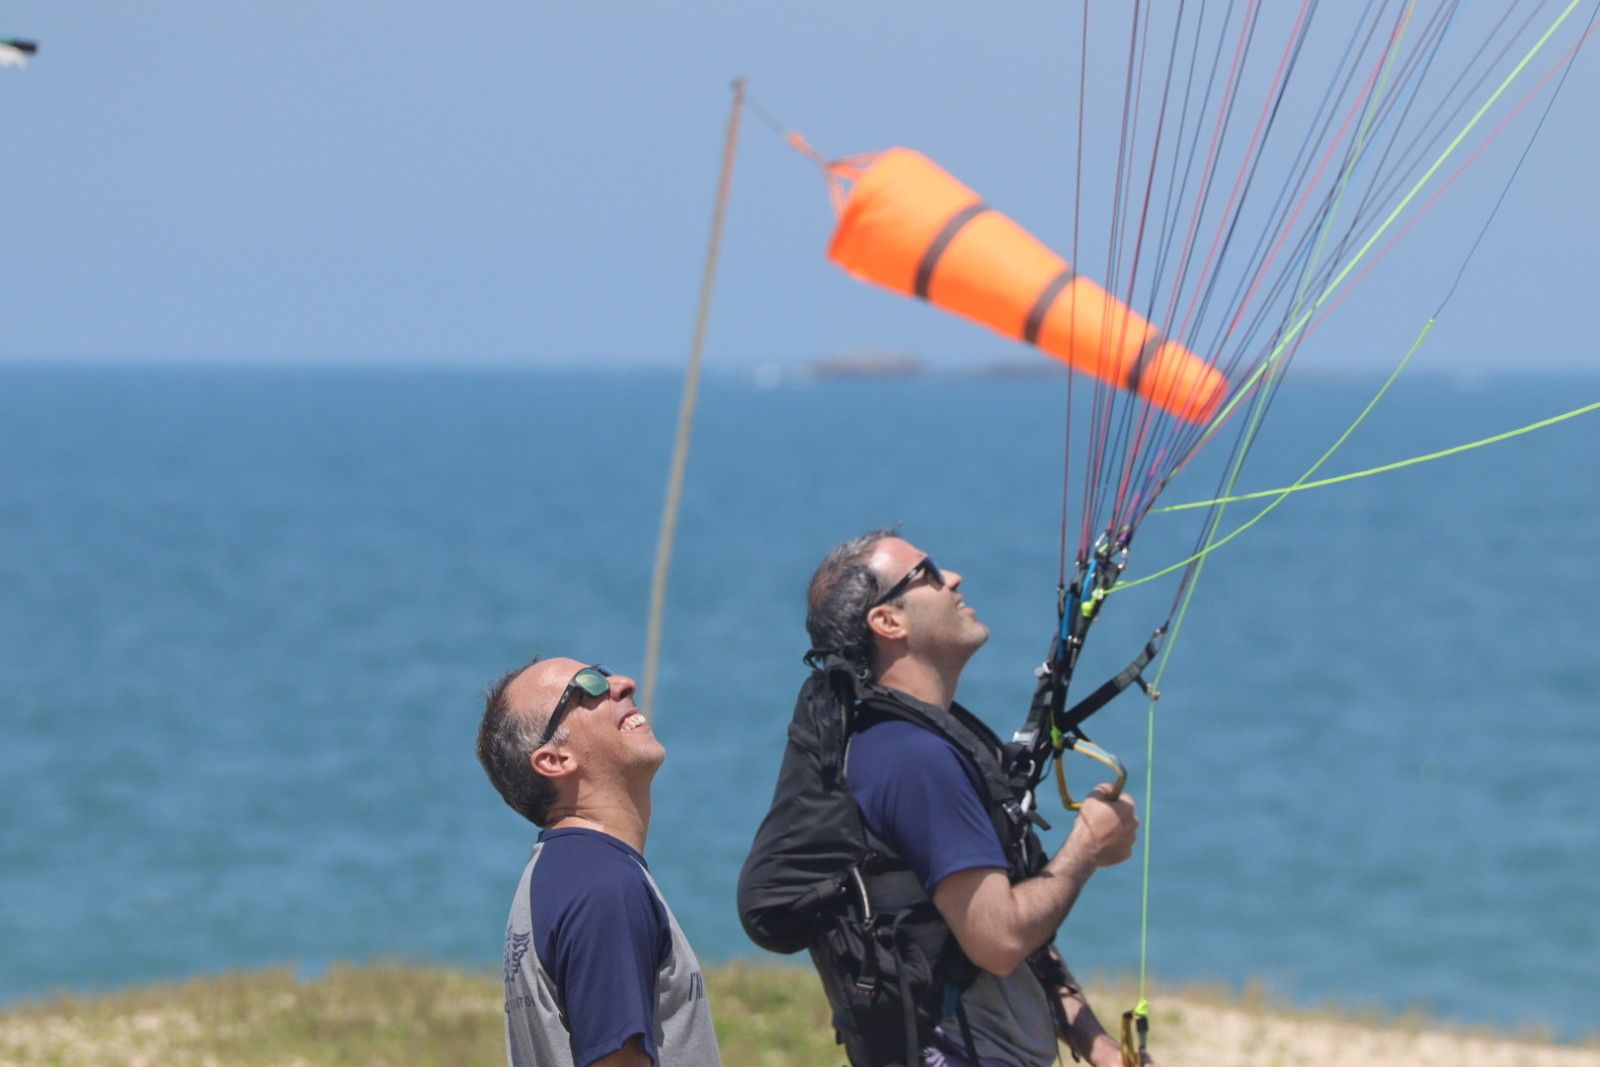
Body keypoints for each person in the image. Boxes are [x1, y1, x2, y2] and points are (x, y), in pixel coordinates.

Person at [804, 530, 1149, 1067]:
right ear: (887, 622)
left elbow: (997, 938)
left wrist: (1097, 1045)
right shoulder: (913, 760)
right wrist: (1086, 847)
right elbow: (997, 939)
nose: (954, 578)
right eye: (929, 573)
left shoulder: (922, 742)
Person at [475, 656, 721, 1067]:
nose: (623, 684)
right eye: (588, 686)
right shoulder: (603, 887)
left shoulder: (561, 872)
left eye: (605, 672)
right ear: (554, 759)